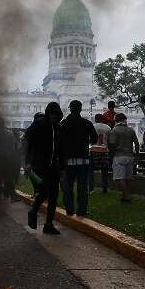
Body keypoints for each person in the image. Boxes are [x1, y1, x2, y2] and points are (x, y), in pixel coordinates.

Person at [24, 102, 62, 234]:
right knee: (45, 191)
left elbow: (60, 146)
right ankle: (33, 212)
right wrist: (28, 162)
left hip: (54, 165)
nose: (54, 117)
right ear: (48, 113)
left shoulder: (58, 127)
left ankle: (48, 224)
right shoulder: (39, 125)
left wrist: (62, 164)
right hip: (40, 164)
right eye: (52, 114)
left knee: (54, 195)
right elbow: (27, 142)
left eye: (56, 115)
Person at [58, 100, 96, 217]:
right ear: (80, 109)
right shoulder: (87, 123)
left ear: (70, 109)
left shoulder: (64, 124)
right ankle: (82, 210)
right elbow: (94, 139)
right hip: (83, 159)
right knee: (83, 187)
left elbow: (58, 142)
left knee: (68, 186)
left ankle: (69, 209)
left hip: (68, 161)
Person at [107, 113, 140, 202]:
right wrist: (137, 155)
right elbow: (136, 144)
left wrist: (112, 153)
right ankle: (125, 196)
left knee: (118, 179)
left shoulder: (114, 130)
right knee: (128, 178)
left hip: (119, 156)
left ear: (116, 120)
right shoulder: (131, 130)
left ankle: (126, 195)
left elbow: (112, 144)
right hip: (130, 156)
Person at [90, 114, 112, 193]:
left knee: (91, 170)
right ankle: (105, 188)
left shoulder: (92, 126)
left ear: (95, 119)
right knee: (105, 171)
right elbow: (109, 140)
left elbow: (90, 139)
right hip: (104, 150)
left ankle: (91, 188)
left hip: (94, 149)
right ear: (102, 119)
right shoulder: (108, 128)